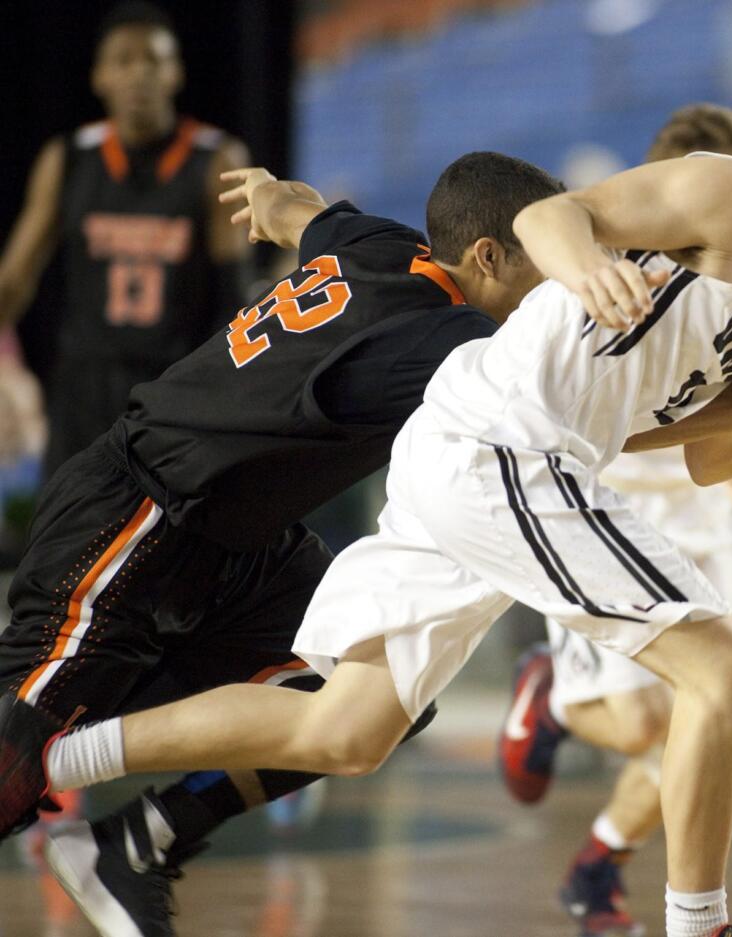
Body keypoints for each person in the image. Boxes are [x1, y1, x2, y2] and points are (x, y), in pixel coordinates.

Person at [8, 70, 732, 937]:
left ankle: (58, 775)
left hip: (498, 450)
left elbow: (709, 455)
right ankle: (700, 925)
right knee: (731, 669)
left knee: (345, 730)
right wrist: (586, 268)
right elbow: (553, 214)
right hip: (503, 445)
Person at [0, 150, 566, 937]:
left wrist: (267, 198)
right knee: (10, 763)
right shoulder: (455, 338)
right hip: (141, 507)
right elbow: (571, 407)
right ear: (489, 257)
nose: (561, 286)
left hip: (237, 547)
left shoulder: (378, 243)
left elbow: (303, 213)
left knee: (380, 693)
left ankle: (137, 841)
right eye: (551, 263)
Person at [494, 102, 732, 937]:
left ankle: (603, 856)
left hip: (712, 518)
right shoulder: (614, 262)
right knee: (642, 719)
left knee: (709, 712)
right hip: (613, 499)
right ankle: (555, 696)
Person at [0, 2, 251, 479]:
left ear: (175, 73)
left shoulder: (215, 158)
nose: (139, 74)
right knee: (63, 543)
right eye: (124, 60)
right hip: (83, 388)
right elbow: (14, 280)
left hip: (173, 385)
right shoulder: (69, 159)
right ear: (99, 77)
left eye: (153, 60)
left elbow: (233, 299)